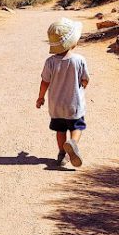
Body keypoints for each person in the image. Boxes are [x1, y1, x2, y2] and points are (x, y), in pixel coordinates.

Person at [36, 18, 90, 168]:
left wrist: (40, 98)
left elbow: (44, 82)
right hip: (74, 104)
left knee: (60, 130)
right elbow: (85, 80)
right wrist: (82, 85)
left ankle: (61, 154)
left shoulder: (50, 62)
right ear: (72, 42)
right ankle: (72, 144)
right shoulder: (79, 60)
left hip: (56, 106)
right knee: (77, 127)